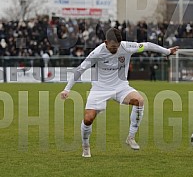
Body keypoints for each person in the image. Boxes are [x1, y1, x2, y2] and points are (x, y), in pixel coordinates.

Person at [60, 26, 179, 157]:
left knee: (139, 101)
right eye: (112, 47)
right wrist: (67, 89)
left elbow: (147, 45)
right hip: (100, 89)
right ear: (106, 42)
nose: (115, 49)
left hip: (121, 86)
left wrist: (167, 51)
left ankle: (131, 137)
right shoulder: (97, 52)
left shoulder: (127, 46)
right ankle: (86, 145)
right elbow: (80, 69)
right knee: (88, 119)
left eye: (117, 46)